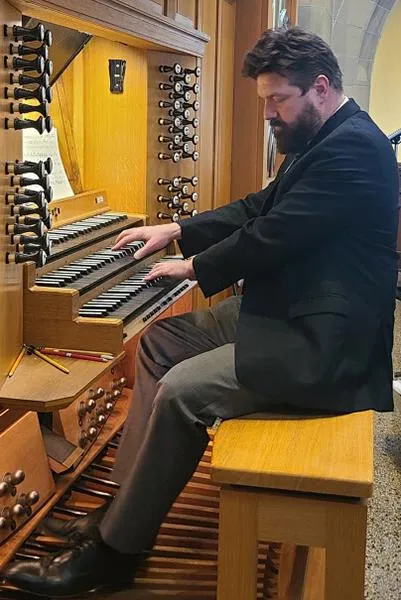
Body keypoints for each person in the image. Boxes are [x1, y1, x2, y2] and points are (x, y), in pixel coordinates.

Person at [4, 26, 399, 596]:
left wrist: (192, 266)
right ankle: (123, 508)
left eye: (277, 100)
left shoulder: (355, 147)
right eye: (264, 100)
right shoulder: (324, 137)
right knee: (161, 344)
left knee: (183, 391)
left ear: (320, 87)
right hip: (294, 311)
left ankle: (115, 555)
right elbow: (257, 206)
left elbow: (273, 234)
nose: (268, 113)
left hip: (328, 347)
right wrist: (177, 229)